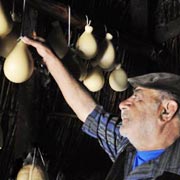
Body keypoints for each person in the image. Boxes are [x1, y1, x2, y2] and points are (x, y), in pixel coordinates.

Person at [21, 37, 180, 180]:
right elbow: (89, 112)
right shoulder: (128, 146)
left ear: (167, 110)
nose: (122, 104)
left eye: (137, 98)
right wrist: (49, 57)